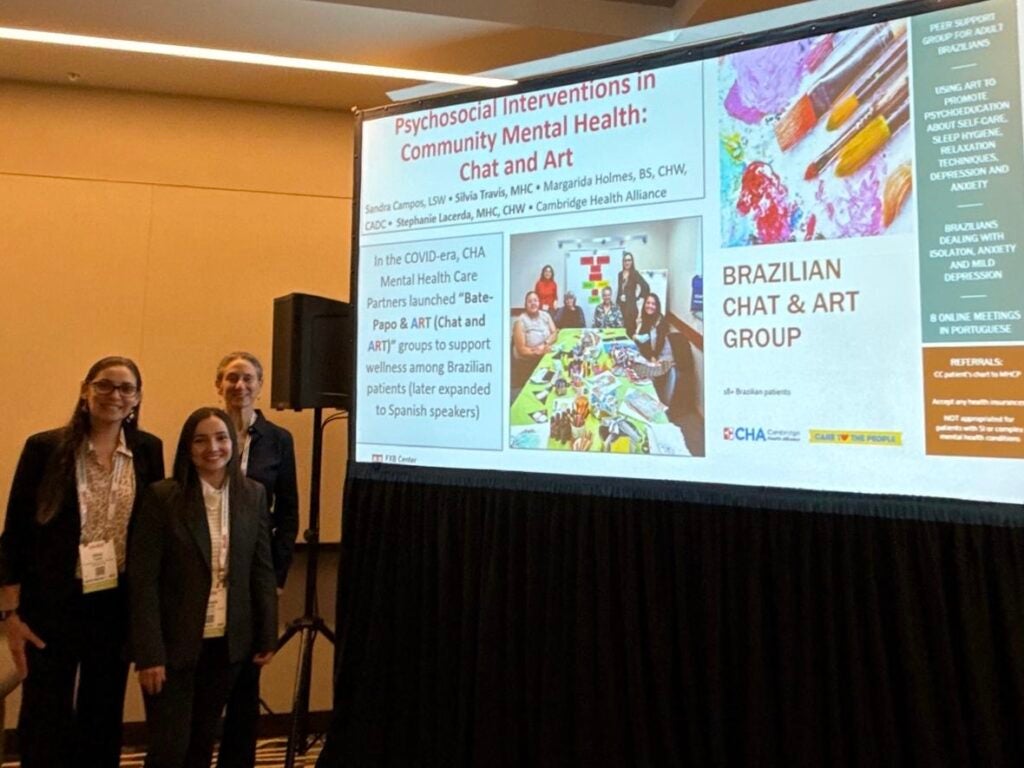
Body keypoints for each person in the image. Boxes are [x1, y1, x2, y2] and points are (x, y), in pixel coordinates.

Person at [0, 356, 164, 768]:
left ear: (137, 399)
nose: (116, 395)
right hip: (52, 602)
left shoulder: (148, 450)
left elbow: (151, 535)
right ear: (85, 390)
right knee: (45, 714)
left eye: (126, 388)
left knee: (103, 712)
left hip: (114, 602)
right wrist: (10, 614)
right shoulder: (45, 448)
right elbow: (15, 532)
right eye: (105, 385)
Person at [129, 407, 277, 768]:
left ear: (233, 443)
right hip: (174, 644)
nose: (213, 447)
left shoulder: (253, 495)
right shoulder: (162, 497)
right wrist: (149, 653)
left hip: (227, 642)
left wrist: (266, 635)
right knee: (170, 748)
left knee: (201, 743)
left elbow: (261, 569)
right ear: (188, 447)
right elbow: (143, 579)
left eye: (221, 437)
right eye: (201, 439)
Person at [214, 352, 298, 768]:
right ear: (218, 385)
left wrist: (277, 577)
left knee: (247, 678)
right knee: (209, 674)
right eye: (231, 378)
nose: (239, 386)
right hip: (208, 568)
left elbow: (289, 513)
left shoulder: (278, 439)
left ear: (260, 386)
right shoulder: (205, 431)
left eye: (248, 378)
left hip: (255, 572)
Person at [633, 293, 676, 405]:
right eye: (648, 303)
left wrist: (653, 357)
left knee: (644, 377)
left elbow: (659, 343)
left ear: (657, 306)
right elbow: (642, 341)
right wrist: (638, 328)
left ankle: (651, 402)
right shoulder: (644, 319)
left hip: (661, 358)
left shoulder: (660, 321)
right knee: (632, 369)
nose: (650, 306)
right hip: (649, 356)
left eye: (653, 304)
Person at [513, 290, 557, 363]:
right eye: (530, 301)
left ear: (539, 303)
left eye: (535, 300)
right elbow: (521, 350)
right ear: (525, 305)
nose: (533, 303)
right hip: (528, 361)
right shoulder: (520, 321)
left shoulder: (545, 315)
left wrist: (545, 343)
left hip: (544, 355)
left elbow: (554, 332)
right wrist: (540, 352)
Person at [616, 251, 650, 336]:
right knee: (621, 330)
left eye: (629, 260)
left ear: (632, 261)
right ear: (623, 262)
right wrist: (618, 301)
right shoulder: (620, 274)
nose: (627, 262)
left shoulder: (635, 273)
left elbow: (646, 287)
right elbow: (620, 289)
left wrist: (636, 298)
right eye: (625, 260)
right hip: (621, 307)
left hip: (631, 308)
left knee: (630, 331)